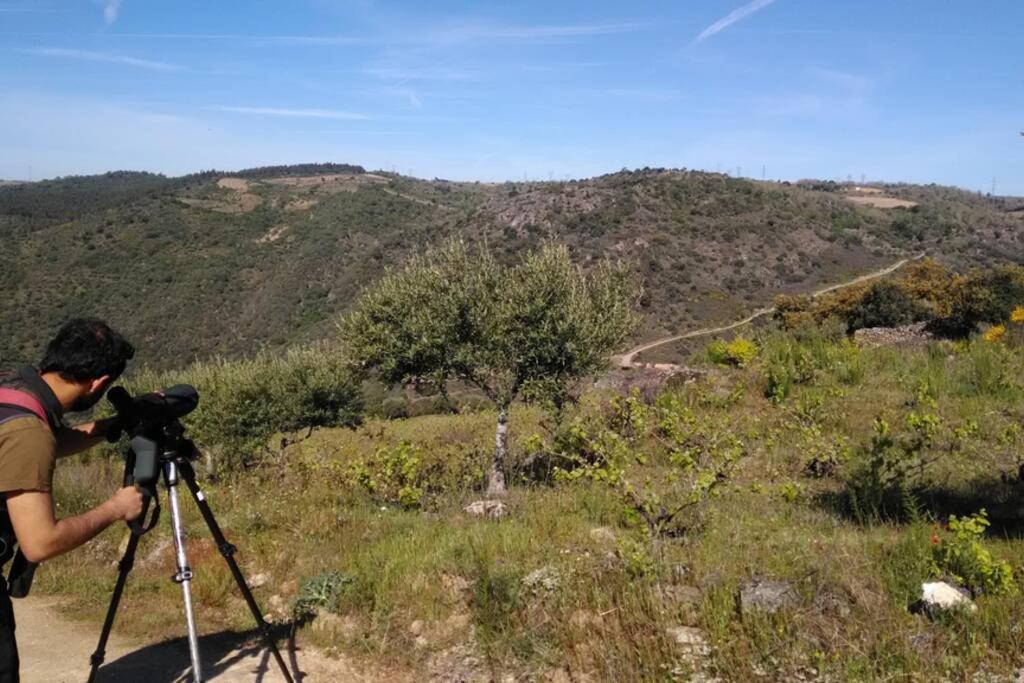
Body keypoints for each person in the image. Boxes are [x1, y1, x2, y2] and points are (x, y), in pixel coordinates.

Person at [0, 318, 144, 682]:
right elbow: (40, 543)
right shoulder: (27, 431)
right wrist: (116, 508)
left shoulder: (13, 390)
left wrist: (109, 426)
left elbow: (43, 443)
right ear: (98, 383)